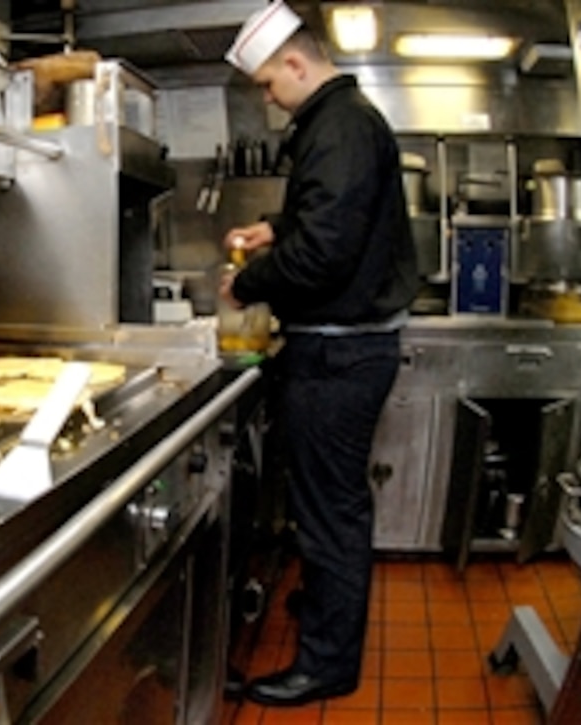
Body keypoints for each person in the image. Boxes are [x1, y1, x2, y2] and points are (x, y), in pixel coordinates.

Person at [220, 0, 419, 708]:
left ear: (296, 64)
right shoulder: (342, 122)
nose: (269, 100)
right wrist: (275, 228)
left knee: (330, 510)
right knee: (328, 502)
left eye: (270, 85)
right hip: (343, 354)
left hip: (338, 358)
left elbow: (323, 258)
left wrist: (248, 282)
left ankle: (328, 663)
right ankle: (328, 610)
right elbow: (323, 222)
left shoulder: (337, 129)